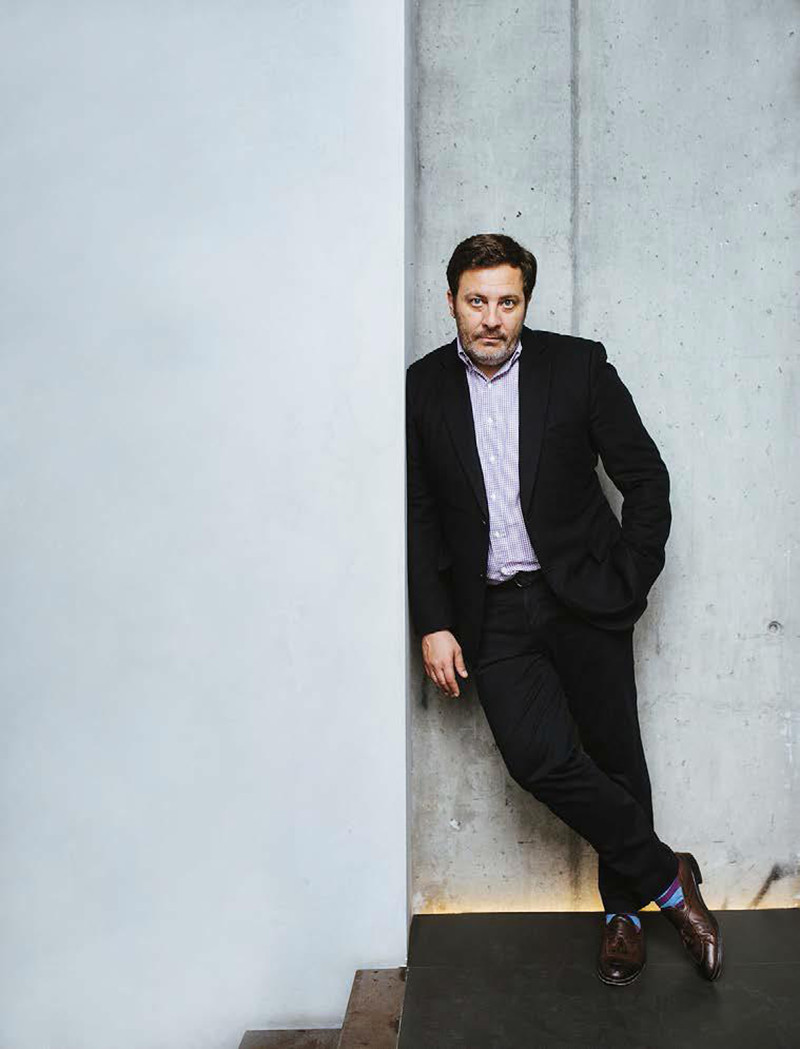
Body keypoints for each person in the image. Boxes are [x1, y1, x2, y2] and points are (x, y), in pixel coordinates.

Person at [405, 232, 723, 986]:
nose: (491, 318)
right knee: (537, 758)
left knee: (615, 755)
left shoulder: (578, 367)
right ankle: (668, 876)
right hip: (491, 612)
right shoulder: (422, 387)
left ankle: (623, 915)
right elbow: (418, 511)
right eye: (476, 301)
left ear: (525, 304)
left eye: (506, 302)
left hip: (582, 596)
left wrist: (629, 577)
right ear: (450, 301)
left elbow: (645, 477)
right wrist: (434, 620)